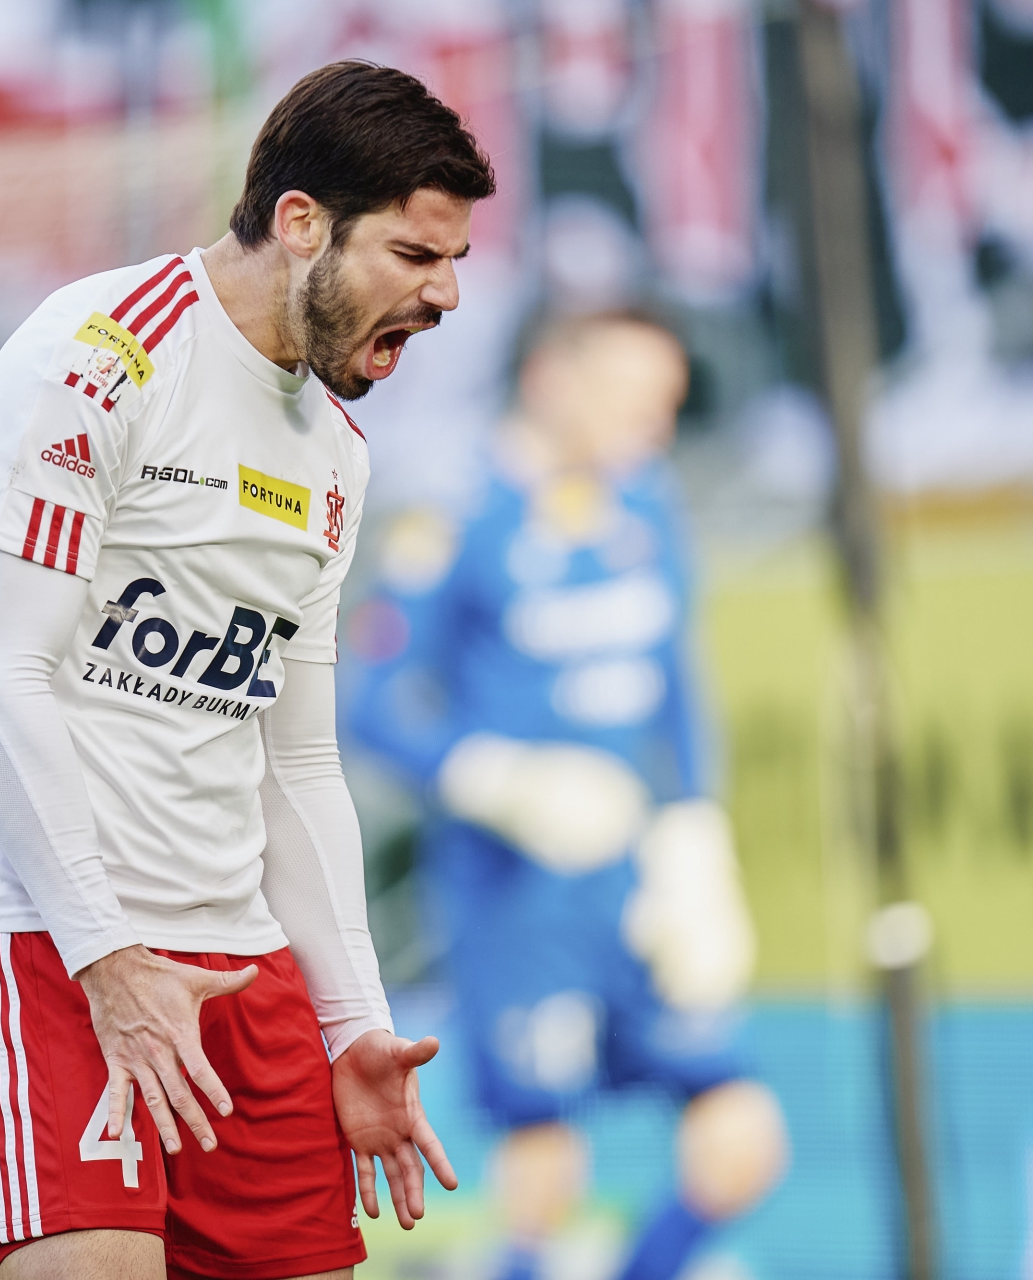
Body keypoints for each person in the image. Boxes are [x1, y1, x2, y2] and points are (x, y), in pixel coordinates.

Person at [0, 62, 496, 1280]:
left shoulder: (334, 454)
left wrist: (353, 1020)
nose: (444, 294)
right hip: (47, 945)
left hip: (242, 967)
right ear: (302, 223)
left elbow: (299, 759)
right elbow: (0, 677)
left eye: (453, 263)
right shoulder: (96, 360)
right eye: (413, 254)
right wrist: (106, 956)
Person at [347, 311, 789, 1280]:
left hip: (639, 883)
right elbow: (370, 699)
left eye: (666, 404)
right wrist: (495, 776)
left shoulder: (647, 500)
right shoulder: (459, 512)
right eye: (634, 398)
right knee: (545, 1160)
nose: (653, 424)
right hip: (518, 898)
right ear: (552, 377)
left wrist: (698, 836)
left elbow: (679, 681)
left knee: (743, 1136)